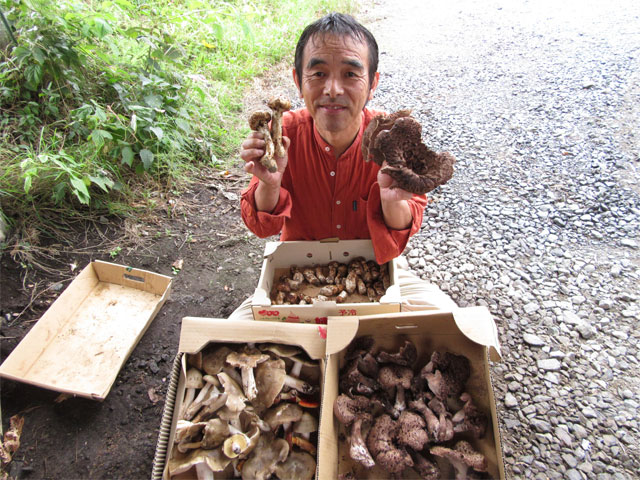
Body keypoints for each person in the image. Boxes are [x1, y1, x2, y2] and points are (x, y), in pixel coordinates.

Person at [230, 13, 456, 320]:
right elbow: (262, 227)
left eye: (350, 74)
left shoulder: (389, 140)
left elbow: (402, 232)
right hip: (298, 274)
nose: (333, 89)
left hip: (376, 273)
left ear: (372, 83)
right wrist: (270, 184)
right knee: (233, 332)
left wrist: (391, 201)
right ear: (298, 81)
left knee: (448, 320)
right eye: (319, 73)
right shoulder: (282, 138)